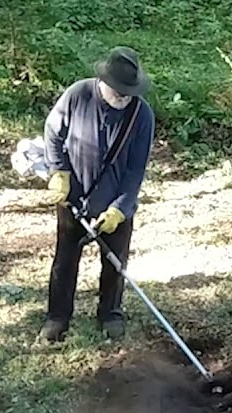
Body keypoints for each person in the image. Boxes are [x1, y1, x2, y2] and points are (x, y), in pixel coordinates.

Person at [37, 47, 156, 343]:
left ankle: (110, 313)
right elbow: (53, 133)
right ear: (103, 82)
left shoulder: (142, 116)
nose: (124, 99)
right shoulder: (78, 96)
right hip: (73, 197)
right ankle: (57, 317)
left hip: (115, 202)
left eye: (129, 93)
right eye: (119, 93)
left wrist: (120, 208)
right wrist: (58, 173)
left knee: (115, 261)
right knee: (65, 259)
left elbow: (135, 171)